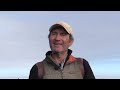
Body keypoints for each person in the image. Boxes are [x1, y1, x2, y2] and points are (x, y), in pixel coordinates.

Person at [29, 21, 95, 79]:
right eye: (54, 34)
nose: (57, 38)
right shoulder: (38, 68)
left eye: (63, 34)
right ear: (49, 39)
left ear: (70, 41)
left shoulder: (82, 64)